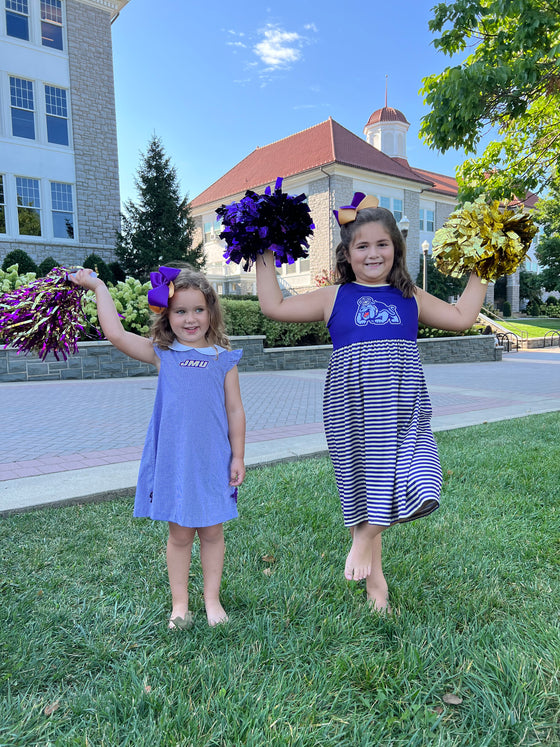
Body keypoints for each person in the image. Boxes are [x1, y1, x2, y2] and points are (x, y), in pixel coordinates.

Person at [255, 195, 487, 612]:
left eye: (382, 244)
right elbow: (273, 306)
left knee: (425, 478)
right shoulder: (333, 296)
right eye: (362, 246)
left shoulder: (410, 295)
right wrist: (264, 251)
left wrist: (485, 265)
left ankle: (362, 540)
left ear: (396, 248)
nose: (373, 253)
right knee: (364, 490)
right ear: (347, 253)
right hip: (352, 408)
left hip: (404, 409)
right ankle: (375, 588)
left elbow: (461, 317)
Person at [70, 266, 246, 628]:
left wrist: (239, 455)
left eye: (198, 309)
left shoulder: (223, 357)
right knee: (180, 533)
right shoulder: (162, 354)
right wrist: (98, 286)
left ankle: (212, 600)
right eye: (180, 311)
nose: (190, 318)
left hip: (213, 460)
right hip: (175, 461)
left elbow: (234, 409)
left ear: (211, 310)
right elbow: (116, 334)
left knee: (213, 531)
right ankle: (180, 604)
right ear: (167, 315)